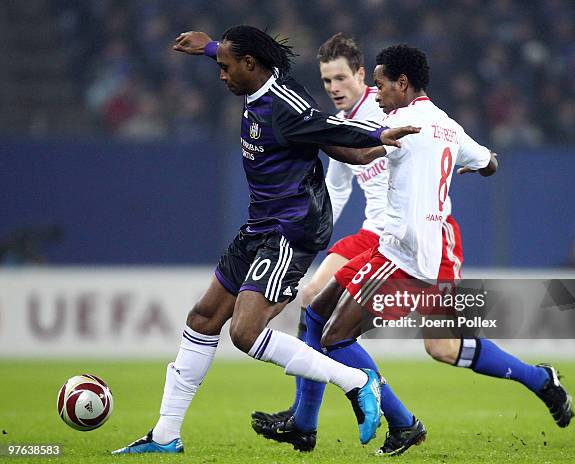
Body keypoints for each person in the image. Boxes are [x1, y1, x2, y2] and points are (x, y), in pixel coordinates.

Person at [111, 26, 421, 455]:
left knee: (245, 331)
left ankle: (356, 381)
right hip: (260, 224)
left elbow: (329, 127)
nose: (222, 75)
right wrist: (210, 48)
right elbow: (238, 56)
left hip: (291, 229)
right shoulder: (254, 78)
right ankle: (165, 436)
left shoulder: (285, 107)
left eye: (225, 67)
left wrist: (375, 137)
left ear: (250, 66)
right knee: (203, 319)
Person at [253, 44, 574, 457]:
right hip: (405, 243)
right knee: (325, 311)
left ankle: (401, 422)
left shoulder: (402, 123)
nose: (377, 91)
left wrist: (303, 134)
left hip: (412, 253)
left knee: (340, 337)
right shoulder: (446, 123)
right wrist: (478, 163)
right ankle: (539, 380)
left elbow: (362, 152)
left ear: (402, 84)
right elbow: (489, 163)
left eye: (381, 85)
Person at [251, 33, 422, 455]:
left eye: (341, 78)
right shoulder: (343, 124)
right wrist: (310, 240)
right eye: (327, 81)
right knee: (314, 309)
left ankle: (312, 420)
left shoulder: (380, 114)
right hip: (367, 233)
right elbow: (337, 189)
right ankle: (305, 421)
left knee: (316, 307)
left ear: (362, 75)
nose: (333, 88)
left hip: (390, 238)